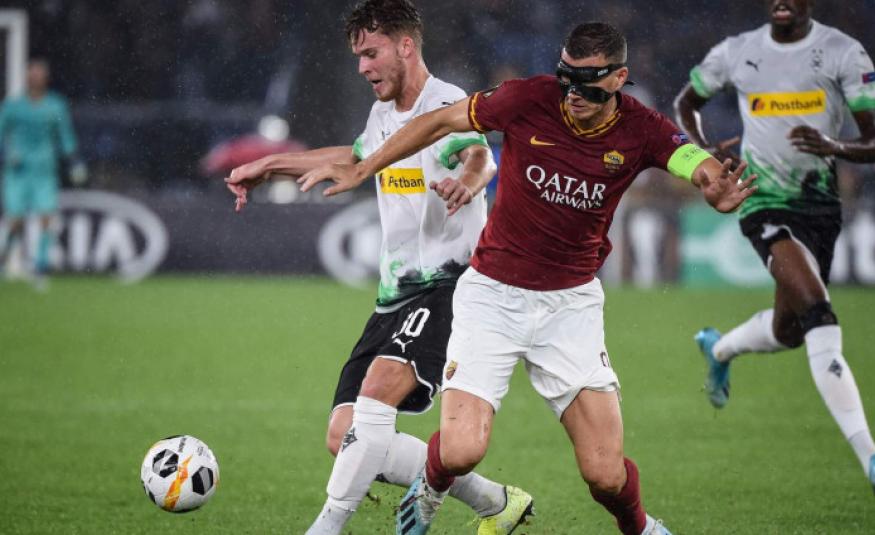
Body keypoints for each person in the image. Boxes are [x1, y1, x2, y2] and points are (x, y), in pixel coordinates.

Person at [299, 21, 756, 535]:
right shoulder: (528, 98)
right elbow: (439, 121)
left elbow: (695, 163)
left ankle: (643, 529)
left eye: (587, 84)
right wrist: (366, 168)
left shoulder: (642, 127)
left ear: (618, 79)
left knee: (605, 475)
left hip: (570, 308)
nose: (572, 94)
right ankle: (432, 484)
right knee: (461, 450)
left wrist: (714, 184)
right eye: (566, 78)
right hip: (491, 297)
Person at [225, 2, 532, 534]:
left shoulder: (446, 103)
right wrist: (271, 164)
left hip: (451, 286)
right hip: (394, 299)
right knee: (344, 436)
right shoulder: (383, 113)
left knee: (378, 388)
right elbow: (357, 157)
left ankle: (325, 527)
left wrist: (468, 183)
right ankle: (496, 503)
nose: (363, 67)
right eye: (358, 56)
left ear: (405, 46)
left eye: (371, 53)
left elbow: (479, 155)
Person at [674, 0, 875, 491]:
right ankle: (870, 459)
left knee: (791, 330)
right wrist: (703, 149)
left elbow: (873, 138)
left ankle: (720, 348)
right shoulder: (737, 51)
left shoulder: (843, 52)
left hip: (821, 208)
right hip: (761, 202)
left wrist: (836, 147)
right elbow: (687, 102)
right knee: (819, 316)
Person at [0, 59, 85, 286]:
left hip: (45, 171)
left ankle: (41, 267)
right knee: (15, 220)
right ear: (27, 78)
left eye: (39, 75)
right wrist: (7, 153)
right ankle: (4, 257)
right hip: (17, 172)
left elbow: (65, 135)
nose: (36, 78)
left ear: (46, 79)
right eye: (32, 74)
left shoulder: (55, 106)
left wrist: (75, 161)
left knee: (47, 218)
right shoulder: (13, 106)